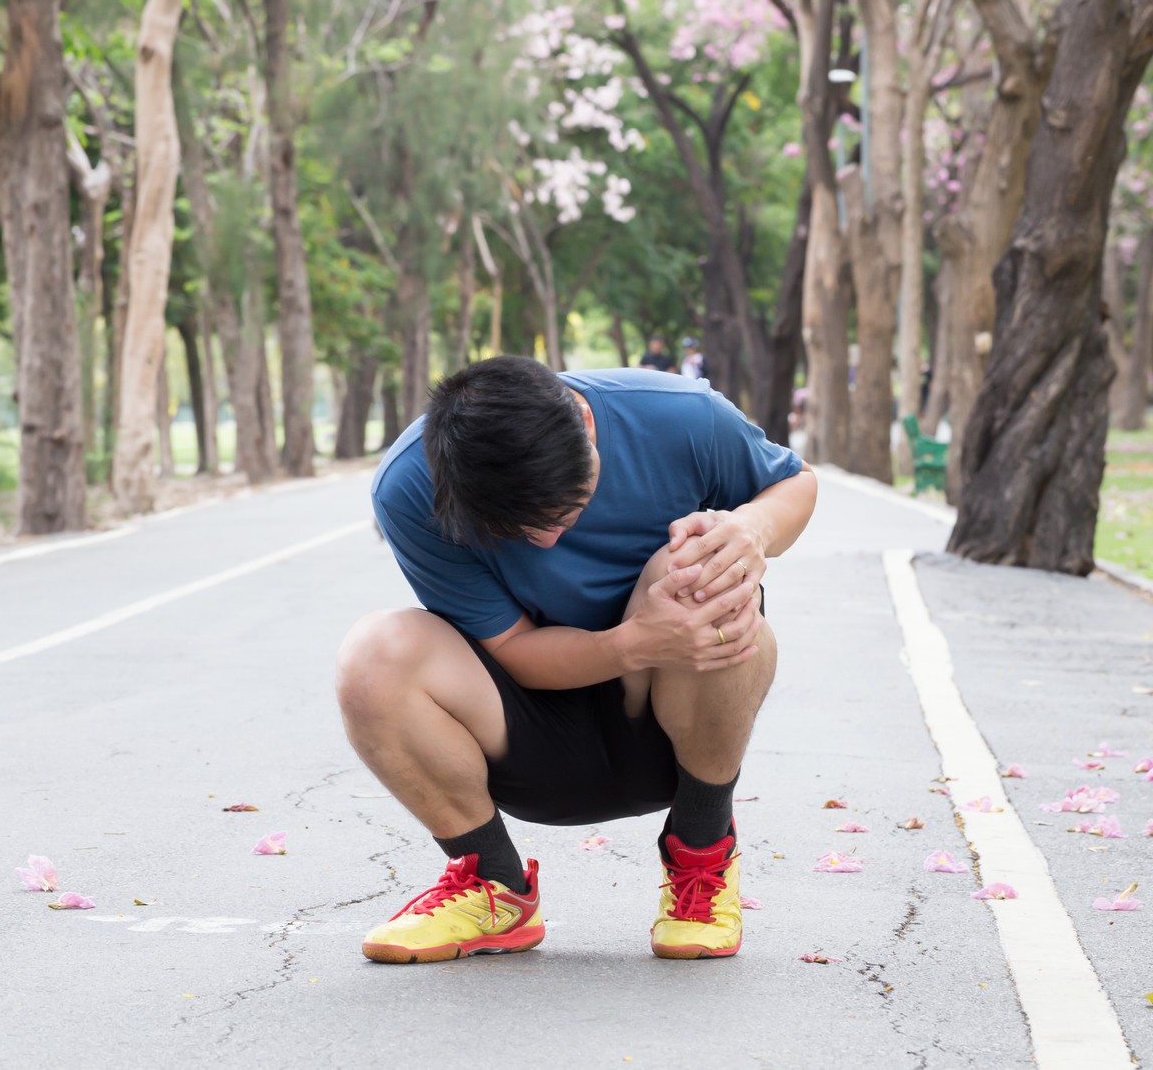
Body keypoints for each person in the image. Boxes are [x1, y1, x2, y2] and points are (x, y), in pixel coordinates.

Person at [341, 356, 816, 964]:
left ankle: (702, 851)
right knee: (372, 653)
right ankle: (492, 887)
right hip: (528, 736)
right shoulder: (409, 487)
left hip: (666, 722)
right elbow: (513, 650)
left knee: (700, 573)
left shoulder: (681, 417)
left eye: (561, 512)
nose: (543, 542)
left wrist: (752, 526)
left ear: (588, 430)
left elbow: (798, 482)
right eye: (515, 528)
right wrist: (636, 641)